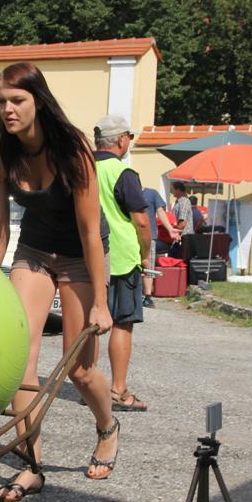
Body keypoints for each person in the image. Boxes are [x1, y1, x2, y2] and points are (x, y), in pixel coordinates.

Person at [0, 62, 117, 501]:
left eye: (16, 101)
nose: (7, 109)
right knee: (20, 362)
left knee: (80, 369)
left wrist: (100, 301)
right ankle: (31, 465)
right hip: (34, 254)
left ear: (38, 101)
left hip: (81, 257)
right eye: (2, 101)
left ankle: (107, 426)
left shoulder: (72, 149)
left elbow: (89, 230)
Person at [93, 115, 152, 413]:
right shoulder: (123, 173)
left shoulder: (85, 169)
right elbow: (141, 221)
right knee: (121, 323)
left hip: (91, 257)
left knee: (89, 323)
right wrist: (145, 254)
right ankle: (117, 389)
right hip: (121, 257)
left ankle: (88, 384)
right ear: (120, 140)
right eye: (129, 136)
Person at [142, 186, 177, 305]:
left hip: (149, 235)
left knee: (148, 265)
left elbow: (161, 212)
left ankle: (147, 296)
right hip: (129, 235)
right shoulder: (127, 192)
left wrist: (170, 229)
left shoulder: (152, 193)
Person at [170, 182, 194, 256]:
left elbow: (182, 223)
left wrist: (174, 234)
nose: (171, 191)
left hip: (183, 238)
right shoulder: (179, 201)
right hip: (180, 238)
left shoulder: (183, 201)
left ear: (178, 190)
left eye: (173, 189)